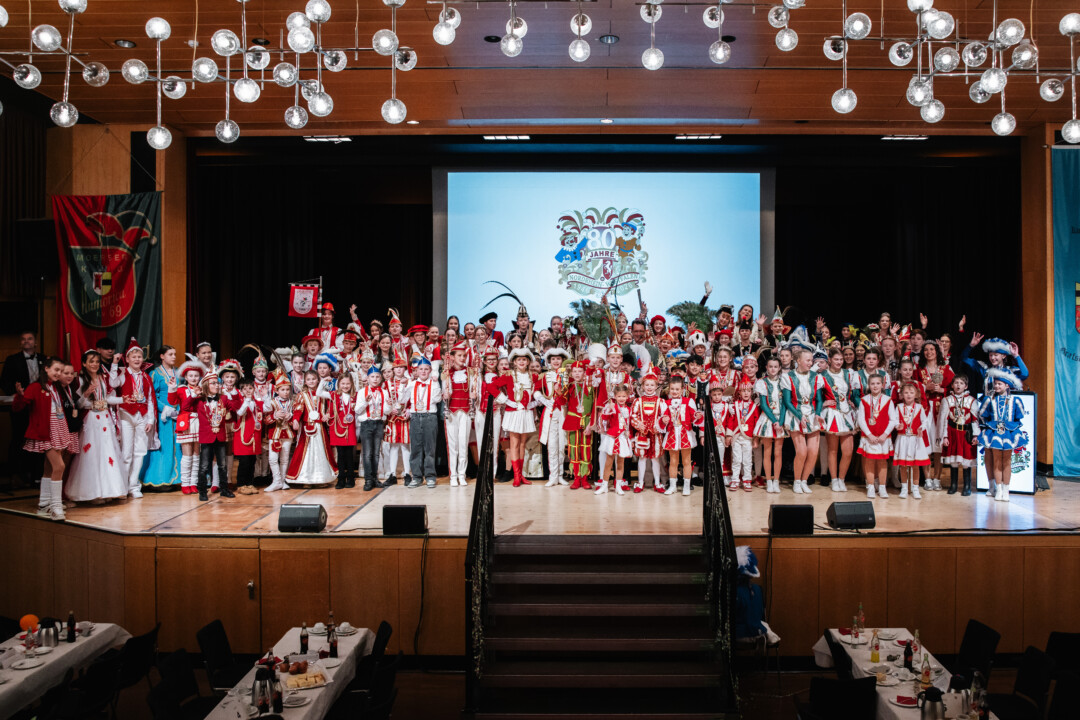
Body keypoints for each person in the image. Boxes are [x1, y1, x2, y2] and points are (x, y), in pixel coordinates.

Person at [12, 357, 79, 520]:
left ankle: (44, 504)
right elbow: (19, 407)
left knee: (49, 468)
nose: (59, 373)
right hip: (46, 431)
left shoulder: (55, 387)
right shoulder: (36, 387)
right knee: (59, 466)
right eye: (56, 370)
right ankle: (56, 506)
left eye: (61, 371)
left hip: (59, 427)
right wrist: (19, 396)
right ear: (46, 369)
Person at [65, 350, 126, 504]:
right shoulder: (79, 380)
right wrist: (86, 394)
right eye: (91, 361)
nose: (95, 364)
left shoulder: (103, 377)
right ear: (84, 363)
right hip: (91, 419)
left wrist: (123, 399)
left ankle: (110, 490)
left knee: (108, 452)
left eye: (97, 362)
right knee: (92, 453)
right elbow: (77, 405)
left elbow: (108, 399)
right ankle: (93, 493)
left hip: (105, 418)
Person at [109, 338, 157, 499]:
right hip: (126, 415)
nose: (137, 359)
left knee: (140, 452)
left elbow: (150, 399)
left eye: (139, 356)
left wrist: (150, 420)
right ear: (127, 359)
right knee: (126, 453)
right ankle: (122, 486)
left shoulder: (146, 377)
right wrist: (114, 365)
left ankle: (134, 486)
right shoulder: (122, 374)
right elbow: (112, 383)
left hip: (142, 416)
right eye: (133, 357)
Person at [1, 330, 46, 486]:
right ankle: (14, 474)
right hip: (21, 405)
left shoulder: (44, 359)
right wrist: (14, 393)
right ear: (20, 343)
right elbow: (4, 381)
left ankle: (35, 475)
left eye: (30, 339)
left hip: (39, 407)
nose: (26, 341)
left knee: (38, 440)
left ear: (35, 342)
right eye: (23, 339)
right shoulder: (12, 360)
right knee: (18, 438)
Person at [978, 369, 1028, 502]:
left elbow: (1019, 417)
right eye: (995, 384)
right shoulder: (989, 399)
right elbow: (982, 415)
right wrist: (989, 426)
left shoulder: (1015, 400)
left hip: (1009, 432)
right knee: (996, 461)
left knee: (1006, 461)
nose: (996, 386)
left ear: (1007, 386)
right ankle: (998, 489)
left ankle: (1006, 490)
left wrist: (1010, 426)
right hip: (994, 432)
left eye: (999, 384)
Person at [782, 347, 823, 495]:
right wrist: (799, 416)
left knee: (813, 452)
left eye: (811, 360)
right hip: (795, 416)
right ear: (798, 361)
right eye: (808, 360)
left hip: (812, 416)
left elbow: (819, 399)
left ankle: (804, 481)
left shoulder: (816, 377)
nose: (811, 363)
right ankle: (797, 481)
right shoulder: (788, 377)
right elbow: (787, 401)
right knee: (802, 452)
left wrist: (817, 414)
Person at [286, 369, 338, 487]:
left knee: (321, 452)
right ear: (305, 381)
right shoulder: (301, 395)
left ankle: (320, 479)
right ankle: (306, 480)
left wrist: (327, 414)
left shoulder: (323, 394)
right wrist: (295, 420)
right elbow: (298, 409)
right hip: (307, 428)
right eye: (308, 379)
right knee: (306, 453)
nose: (311, 381)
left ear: (318, 380)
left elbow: (331, 407)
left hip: (320, 428)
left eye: (314, 379)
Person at [819, 346, 859, 493]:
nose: (839, 362)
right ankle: (834, 479)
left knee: (848, 451)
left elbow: (854, 394)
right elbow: (816, 397)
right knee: (833, 450)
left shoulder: (849, 374)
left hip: (847, 413)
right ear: (829, 360)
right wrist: (823, 404)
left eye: (841, 359)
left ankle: (842, 479)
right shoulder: (822, 375)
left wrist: (852, 401)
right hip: (832, 414)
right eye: (836, 359)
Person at [496, 348, 538, 487]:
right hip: (513, 413)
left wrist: (534, 403)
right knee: (514, 444)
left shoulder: (533, 376)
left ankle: (521, 475)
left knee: (522, 444)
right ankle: (516, 476)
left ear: (528, 362)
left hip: (526, 413)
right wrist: (506, 400)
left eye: (524, 359)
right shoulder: (509, 375)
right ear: (514, 362)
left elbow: (539, 391)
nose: (521, 362)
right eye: (519, 359)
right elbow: (492, 387)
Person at [142, 345, 181, 489]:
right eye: (170, 354)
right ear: (162, 356)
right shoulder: (155, 374)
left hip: (177, 414)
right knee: (164, 446)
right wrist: (165, 409)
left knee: (178, 445)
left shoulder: (179, 372)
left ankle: (177, 479)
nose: (174, 357)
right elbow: (151, 396)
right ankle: (160, 479)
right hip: (163, 416)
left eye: (175, 354)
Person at [401, 356, 442, 488]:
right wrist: (403, 386)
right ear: (416, 371)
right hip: (415, 417)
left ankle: (430, 476)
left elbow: (437, 399)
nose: (423, 372)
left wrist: (436, 383)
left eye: (426, 369)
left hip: (430, 416)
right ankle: (417, 477)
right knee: (416, 448)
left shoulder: (434, 383)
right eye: (421, 369)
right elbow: (403, 399)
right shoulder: (412, 384)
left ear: (430, 370)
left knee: (430, 448)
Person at [193, 369, 234, 501]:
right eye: (213, 383)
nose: (217, 385)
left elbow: (234, 407)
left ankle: (224, 489)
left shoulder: (223, 398)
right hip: (206, 437)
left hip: (220, 436)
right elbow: (186, 407)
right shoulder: (199, 400)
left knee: (222, 465)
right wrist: (194, 395)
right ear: (206, 385)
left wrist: (231, 394)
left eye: (218, 383)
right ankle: (202, 491)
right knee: (204, 465)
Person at [659, 375, 703, 496]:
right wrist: (664, 420)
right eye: (672, 389)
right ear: (669, 389)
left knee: (686, 461)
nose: (674, 391)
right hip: (672, 434)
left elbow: (694, 417)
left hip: (685, 434)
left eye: (677, 389)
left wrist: (697, 416)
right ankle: (673, 486)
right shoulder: (666, 403)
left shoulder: (689, 401)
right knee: (673, 461)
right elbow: (662, 420)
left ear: (682, 389)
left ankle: (686, 486)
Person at [919, 340, 953, 491]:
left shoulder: (945, 369)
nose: (929, 352)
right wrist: (924, 387)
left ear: (937, 351)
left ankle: (937, 479)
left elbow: (955, 388)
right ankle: (927, 479)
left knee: (938, 447)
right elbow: (912, 387)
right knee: (925, 446)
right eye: (926, 350)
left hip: (940, 411)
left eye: (932, 349)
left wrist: (942, 391)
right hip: (925, 410)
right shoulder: (919, 369)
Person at [856, 374, 898, 499]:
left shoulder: (888, 400)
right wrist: (869, 435)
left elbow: (893, 420)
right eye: (872, 383)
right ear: (869, 385)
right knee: (869, 461)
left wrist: (885, 434)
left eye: (878, 383)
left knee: (882, 461)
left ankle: (882, 487)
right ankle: (870, 486)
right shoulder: (864, 400)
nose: (875, 386)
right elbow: (861, 420)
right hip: (869, 437)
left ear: (882, 385)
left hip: (883, 438)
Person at [228, 379, 272, 494]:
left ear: (254, 390)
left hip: (254, 437)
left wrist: (265, 395)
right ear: (241, 391)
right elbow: (240, 413)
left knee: (252, 461)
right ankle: (241, 484)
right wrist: (247, 400)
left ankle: (249, 483)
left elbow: (269, 408)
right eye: (245, 389)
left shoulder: (257, 403)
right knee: (244, 462)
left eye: (250, 388)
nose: (248, 390)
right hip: (243, 437)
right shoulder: (239, 402)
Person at [938, 374, 979, 496]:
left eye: (961, 383)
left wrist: (976, 435)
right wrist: (944, 436)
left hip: (966, 434)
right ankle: (953, 485)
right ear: (952, 385)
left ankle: (967, 486)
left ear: (966, 386)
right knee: (953, 460)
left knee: (966, 461)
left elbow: (975, 419)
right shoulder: (947, 400)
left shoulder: (971, 400)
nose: (958, 385)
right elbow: (943, 420)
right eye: (956, 383)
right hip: (952, 433)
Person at [535, 346, 570, 487]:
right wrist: (544, 400)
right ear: (549, 361)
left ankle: (560, 475)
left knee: (561, 446)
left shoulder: (568, 376)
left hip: (563, 412)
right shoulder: (545, 376)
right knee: (552, 446)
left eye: (558, 359)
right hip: (550, 413)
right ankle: (553, 476)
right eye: (553, 359)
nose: (556, 361)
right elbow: (536, 390)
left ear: (563, 360)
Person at [170, 361, 205, 494]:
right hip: (186, 422)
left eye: (196, 376)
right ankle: (185, 483)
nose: (194, 378)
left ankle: (193, 483)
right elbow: (175, 402)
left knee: (197, 455)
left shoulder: (202, 390)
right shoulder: (182, 389)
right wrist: (172, 389)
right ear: (186, 377)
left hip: (199, 422)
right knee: (187, 455)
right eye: (191, 376)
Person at [441, 342, 473, 487]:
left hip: (465, 412)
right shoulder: (447, 373)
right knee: (453, 445)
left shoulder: (470, 372)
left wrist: (474, 396)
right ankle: (453, 475)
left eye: (464, 356)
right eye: (459, 355)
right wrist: (446, 394)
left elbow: (473, 389)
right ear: (453, 357)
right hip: (452, 412)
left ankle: (462, 474)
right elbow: (445, 392)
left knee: (463, 444)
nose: (462, 358)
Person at [754, 356, 787, 494]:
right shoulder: (762, 382)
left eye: (775, 366)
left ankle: (776, 481)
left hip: (781, 419)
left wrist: (781, 421)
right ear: (766, 368)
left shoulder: (783, 382)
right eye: (770, 366)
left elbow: (785, 403)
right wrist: (774, 421)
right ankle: (768, 481)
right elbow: (763, 404)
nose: (773, 369)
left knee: (778, 453)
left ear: (779, 368)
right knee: (767, 452)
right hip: (768, 419)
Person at [320, 372, 359, 490]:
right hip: (337, 427)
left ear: (352, 384)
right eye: (343, 383)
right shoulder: (334, 395)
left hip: (350, 427)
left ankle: (350, 477)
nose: (345, 386)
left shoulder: (355, 395)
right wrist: (323, 381)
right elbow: (319, 393)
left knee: (349, 454)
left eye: (348, 384)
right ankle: (341, 478)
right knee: (340, 454)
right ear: (338, 384)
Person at [893, 382, 932, 500]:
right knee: (903, 466)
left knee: (916, 465)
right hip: (903, 438)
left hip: (915, 439)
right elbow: (894, 420)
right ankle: (904, 488)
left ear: (916, 394)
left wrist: (921, 428)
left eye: (911, 392)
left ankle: (915, 488)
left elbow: (925, 421)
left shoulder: (919, 407)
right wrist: (897, 426)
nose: (909, 395)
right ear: (901, 395)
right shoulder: (899, 407)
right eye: (906, 392)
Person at [563, 359, 597, 489]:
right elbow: (561, 401)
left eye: (580, 371)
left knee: (586, 449)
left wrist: (591, 424)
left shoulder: (590, 387)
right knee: (574, 449)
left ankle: (585, 478)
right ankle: (576, 478)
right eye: (575, 371)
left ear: (584, 373)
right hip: (573, 421)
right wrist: (559, 391)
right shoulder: (569, 386)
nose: (577, 374)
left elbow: (594, 406)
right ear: (571, 373)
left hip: (587, 421)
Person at [356, 365, 390, 491]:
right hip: (366, 424)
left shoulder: (384, 392)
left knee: (376, 453)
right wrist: (365, 402)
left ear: (380, 378)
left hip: (379, 423)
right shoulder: (362, 392)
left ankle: (375, 478)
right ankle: (368, 480)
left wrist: (389, 405)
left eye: (377, 377)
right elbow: (357, 410)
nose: (375, 379)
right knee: (367, 453)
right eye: (372, 377)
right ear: (368, 378)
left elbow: (386, 411)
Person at [383, 357, 412, 486]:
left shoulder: (410, 382)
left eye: (401, 367)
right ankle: (392, 474)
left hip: (405, 418)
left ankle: (407, 474)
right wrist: (389, 409)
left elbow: (413, 399)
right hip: (392, 419)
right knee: (393, 447)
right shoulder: (387, 384)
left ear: (405, 369)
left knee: (405, 446)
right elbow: (384, 401)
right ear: (393, 370)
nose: (399, 370)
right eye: (396, 368)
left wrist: (409, 410)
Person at [725, 381, 759, 492]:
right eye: (743, 391)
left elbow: (756, 422)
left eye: (748, 391)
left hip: (748, 438)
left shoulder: (754, 406)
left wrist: (756, 438)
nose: (746, 393)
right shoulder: (735, 405)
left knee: (747, 460)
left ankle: (747, 480)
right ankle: (735, 480)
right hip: (736, 437)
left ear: (751, 392)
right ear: (739, 392)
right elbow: (731, 420)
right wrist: (728, 435)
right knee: (736, 459)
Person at [264, 373, 295, 492]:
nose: (286, 392)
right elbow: (265, 420)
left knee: (284, 459)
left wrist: (290, 417)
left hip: (287, 434)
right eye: (283, 390)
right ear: (277, 391)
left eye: (287, 389)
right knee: (272, 459)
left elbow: (296, 420)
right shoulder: (271, 403)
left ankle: (282, 481)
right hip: (275, 434)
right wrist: (274, 415)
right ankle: (276, 481)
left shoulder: (293, 402)